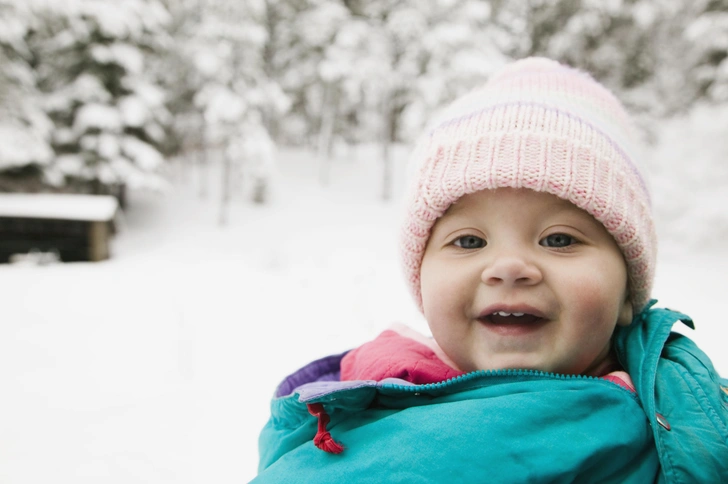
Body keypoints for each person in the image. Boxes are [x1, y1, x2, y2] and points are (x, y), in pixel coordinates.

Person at [252, 57, 728, 483]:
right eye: (470, 241)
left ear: (628, 293)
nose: (509, 267)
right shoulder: (353, 411)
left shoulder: (693, 420)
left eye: (559, 239)